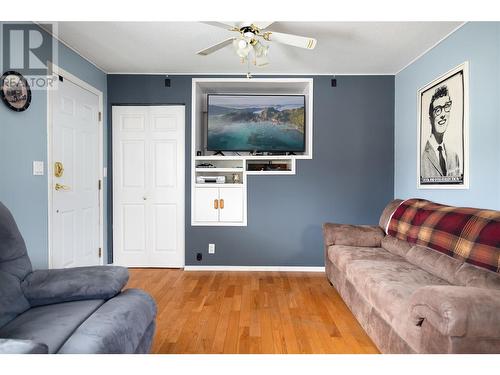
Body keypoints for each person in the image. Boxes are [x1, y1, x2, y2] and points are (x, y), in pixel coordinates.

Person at [421, 85, 461, 179]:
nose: (443, 114)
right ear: (430, 119)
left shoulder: (454, 156)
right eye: (438, 110)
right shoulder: (422, 155)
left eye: (446, 106)